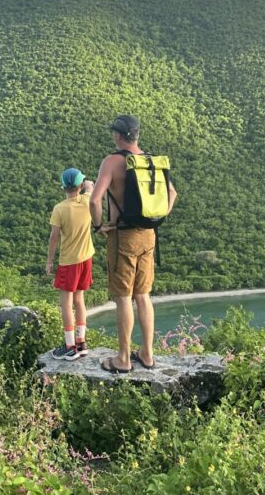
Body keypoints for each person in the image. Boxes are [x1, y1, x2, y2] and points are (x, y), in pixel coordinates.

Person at [90, 115, 177, 373]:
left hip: (123, 236)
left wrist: (98, 226)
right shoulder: (150, 161)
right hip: (149, 235)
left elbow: (95, 200)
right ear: (137, 135)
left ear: (118, 136)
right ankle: (148, 355)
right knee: (143, 295)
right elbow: (172, 193)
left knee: (123, 297)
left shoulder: (113, 162)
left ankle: (124, 359)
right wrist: (158, 217)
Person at [46, 167, 95, 360]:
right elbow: (91, 185)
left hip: (68, 262)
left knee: (66, 303)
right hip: (86, 258)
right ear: (80, 186)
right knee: (79, 300)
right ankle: (81, 343)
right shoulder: (87, 200)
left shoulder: (59, 209)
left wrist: (49, 261)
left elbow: (54, 238)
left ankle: (69, 346)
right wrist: (87, 186)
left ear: (63, 187)